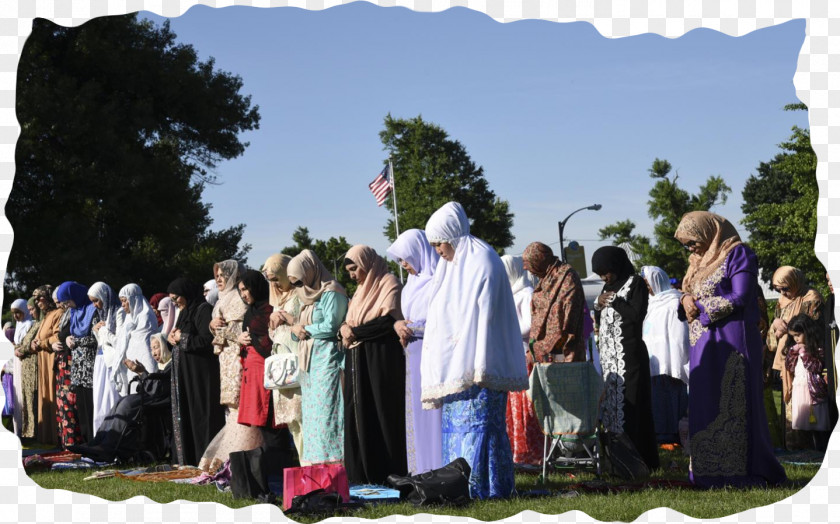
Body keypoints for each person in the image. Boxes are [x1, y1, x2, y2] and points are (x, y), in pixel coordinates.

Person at [422, 202, 528, 500]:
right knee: (458, 428)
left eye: (439, 243)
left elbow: (484, 318)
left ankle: (488, 488)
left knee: (483, 429)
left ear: (452, 236)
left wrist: (476, 362)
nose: (437, 250)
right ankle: (458, 486)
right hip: (456, 368)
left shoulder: (483, 260)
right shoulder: (450, 266)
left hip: (481, 365)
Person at [675, 210, 785, 488]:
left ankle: (743, 471)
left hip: (734, 339)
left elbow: (740, 295)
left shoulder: (738, 254)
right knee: (705, 401)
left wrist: (698, 307)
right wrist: (685, 299)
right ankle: (707, 471)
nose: (690, 248)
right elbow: (688, 291)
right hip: (703, 343)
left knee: (733, 401)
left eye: (692, 241)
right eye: (685, 244)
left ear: (708, 232)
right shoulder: (696, 262)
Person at [339, 245, 407, 485]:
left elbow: (387, 321)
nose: (352, 275)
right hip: (357, 360)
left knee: (381, 413)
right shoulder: (359, 292)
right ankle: (362, 474)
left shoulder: (388, 283)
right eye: (348, 270)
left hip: (381, 358)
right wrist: (345, 329)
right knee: (358, 413)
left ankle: (387, 472)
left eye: (354, 268)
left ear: (367, 263)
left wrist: (353, 331)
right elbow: (349, 323)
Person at [591, 246, 659, 471]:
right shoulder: (608, 286)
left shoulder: (635, 283)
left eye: (606, 272)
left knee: (632, 408)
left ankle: (638, 461)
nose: (604, 277)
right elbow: (601, 321)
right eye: (600, 274)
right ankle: (617, 461)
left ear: (617, 266)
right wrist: (599, 305)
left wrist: (615, 302)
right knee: (612, 409)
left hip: (629, 357)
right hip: (610, 360)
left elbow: (637, 315)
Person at [386, 229, 443, 475]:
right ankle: (420, 469)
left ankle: (439, 467)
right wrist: (398, 325)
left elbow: (444, 319)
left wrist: (416, 328)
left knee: (434, 412)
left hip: (433, 353)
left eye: (405, 257)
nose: (403, 264)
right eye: (400, 260)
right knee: (418, 412)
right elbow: (406, 317)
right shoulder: (411, 285)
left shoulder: (439, 279)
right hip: (413, 353)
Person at [69, 333, 173, 463]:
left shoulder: (172, 365)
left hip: (161, 399)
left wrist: (142, 372)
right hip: (153, 397)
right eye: (151, 349)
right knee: (121, 401)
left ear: (165, 347)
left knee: (127, 404)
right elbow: (152, 386)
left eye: (157, 347)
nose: (153, 352)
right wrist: (142, 373)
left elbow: (159, 389)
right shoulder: (161, 367)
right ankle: (97, 442)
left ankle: (107, 447)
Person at [200, 260, 263, 473]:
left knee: (239, 404)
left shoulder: (239, 298)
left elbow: (242, 330)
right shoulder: (223, 298)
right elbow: (218, 325)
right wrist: (212, 326)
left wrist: (220, 330)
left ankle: (241, 455)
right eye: (216, 275)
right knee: (230, 407)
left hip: (237, 357)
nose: (218, 279)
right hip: (225, 358)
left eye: (222, 275)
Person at [286, 249, 348, 465]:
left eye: (299, 281)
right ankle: (316, 464)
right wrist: (296, 329)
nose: (298, 287)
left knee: (328, 413)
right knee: (313, 417)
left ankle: (336, 463)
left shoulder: (332, 291)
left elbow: (332, 325)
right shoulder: (305, 295)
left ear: (310, 271)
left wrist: (306, 329)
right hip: (309, 363)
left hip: (327, 359)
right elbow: (300, 326)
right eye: (294, 283)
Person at [236, 269, 297, 469]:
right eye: (241, 291)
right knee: (261, 424)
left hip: (269, 372)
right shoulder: (251, 312)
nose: (244, 294)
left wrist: (251, 338)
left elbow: (271, 340)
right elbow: (250, 336)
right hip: (252, 374)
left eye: (246, 289)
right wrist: (241, 340)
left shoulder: (269, 309)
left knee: (273, 421)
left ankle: (279, 469)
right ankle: (270, 469)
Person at [167, 277, 225, 466]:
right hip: (185, 377)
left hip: (200, 377)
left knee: (201, 416)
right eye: (172, 300)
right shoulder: (184, 313)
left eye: (177, 298)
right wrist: (173, 338)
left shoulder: (203, 310)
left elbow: (207, 341)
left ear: (186, 294)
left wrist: (182, 338)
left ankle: (204, 460)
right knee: (186, 415)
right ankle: (187, 458)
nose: (175, 303)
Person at [769, 266, 824, 450]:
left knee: (806, 402)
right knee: (789, 402)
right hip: (786, 358)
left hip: (804, 361)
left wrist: (790, 327)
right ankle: (792, 448)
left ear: (795, 281)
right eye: (779, 289)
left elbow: (810, 328)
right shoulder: (782, 300)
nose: (783, 292)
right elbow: (775, 331)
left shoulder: (811, 297)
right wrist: (775, 323)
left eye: (786, 288)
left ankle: (810, 449)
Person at [500, 254, 543, 466]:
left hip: (523, 354)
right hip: (512, 355)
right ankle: (518, 452)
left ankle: (531, 453)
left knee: (525, 407)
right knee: (515, 408)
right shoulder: (511, 294)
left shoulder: (526, 294)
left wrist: (506, 330)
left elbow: (530, 325)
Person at [640, 266, 690, 445]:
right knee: (657, 399)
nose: (647, 288)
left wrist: (677, 361)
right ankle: (661, 434)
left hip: (671, 359)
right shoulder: (651, 304)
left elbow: (680, 334)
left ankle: (673, 435)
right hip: (654, 360)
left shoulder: (673, 302)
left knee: (672, 397)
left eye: (648, 283)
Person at [263, 254, 304, 458]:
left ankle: (311, 467)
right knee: (292, 423)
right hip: (281, 365)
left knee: (303, 418)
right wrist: (273, 322)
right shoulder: (278, 300)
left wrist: (287, 318)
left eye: (277, 278)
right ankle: (303, 468)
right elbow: (275, 334)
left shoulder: (300, 294)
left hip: (298, 361)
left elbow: (305, 323)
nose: (275, 284)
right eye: (271, 280)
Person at [522, 241, 586, 363]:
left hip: (564, 351)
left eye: (528, 263)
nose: (525, 268)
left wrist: (541, 348)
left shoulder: (567, 277)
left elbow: (567, 318)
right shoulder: (545, 279)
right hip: (543, 354)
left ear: (539, 260)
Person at [55, 281, 99, 445]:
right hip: (78, 367)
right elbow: (68, 333)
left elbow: (96, 338)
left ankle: (95, 442)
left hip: (90, 365)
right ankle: (87, 443)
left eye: (67, 301)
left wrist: (77, 342)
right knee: (81, 407)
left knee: (90, 406)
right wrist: (67, 339)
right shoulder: (74, 312)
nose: (66, 305)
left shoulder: (92, 310)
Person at [785, 314, 831, 451]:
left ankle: (822, 449)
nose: (796, 339)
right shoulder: (796, 348)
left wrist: (804, 353)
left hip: (813, 391)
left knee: (817, 422)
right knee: (805, 424)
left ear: (807, 332)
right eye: (793, 336)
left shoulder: (817, 348)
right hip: (800, 389)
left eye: (798, 335)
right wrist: (792, 353)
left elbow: (815, 367)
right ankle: (810, 449)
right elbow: (790, 367)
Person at [88, 282, 123, 436]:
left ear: (104, 296)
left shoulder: (118, 313)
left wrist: (102, 330)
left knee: (110, 400)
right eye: (93, 302)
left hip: (112, 363)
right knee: (99, 402)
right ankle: (99, 438)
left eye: (97, 300)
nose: (95, 305)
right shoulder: (102, 314)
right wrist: (96, 331)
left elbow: (118, 342)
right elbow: (102, 342)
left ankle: (112, 438)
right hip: (101, 361)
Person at [111, 284, 158, 398]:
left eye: (124, 301)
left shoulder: (146, 317)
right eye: (121, 301)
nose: (122, 305)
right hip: (130, 365)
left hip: (142, 363)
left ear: (133, 299)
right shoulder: (129, 317)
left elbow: (142, 345)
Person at [32, 285, 61, 445]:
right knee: (45, 395)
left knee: (52, 392)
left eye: (40, 298)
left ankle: (56, 435)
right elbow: (39, 339)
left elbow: (58, 337)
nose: (37, 302)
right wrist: (35, 344)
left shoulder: (58, 313)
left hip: (52, 361)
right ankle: (47, 436)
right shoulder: (46, 316)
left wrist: (42, 343)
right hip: (43, 360)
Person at [10, 298, 36, 439]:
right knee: (17, 397)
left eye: (18, 313)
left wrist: (19, 349)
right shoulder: (19, 325)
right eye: (14, 313)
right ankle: (18, 431)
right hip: (17, 361)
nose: (16, 316)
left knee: (26, 396)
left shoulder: (29, 324)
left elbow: (27, 343)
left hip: (26, 362)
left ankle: (28, 431)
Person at [824, 272, 839, 430]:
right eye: (827, 280)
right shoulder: (830, 302)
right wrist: (827, 369)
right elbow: (826, 337)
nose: (829, 283)